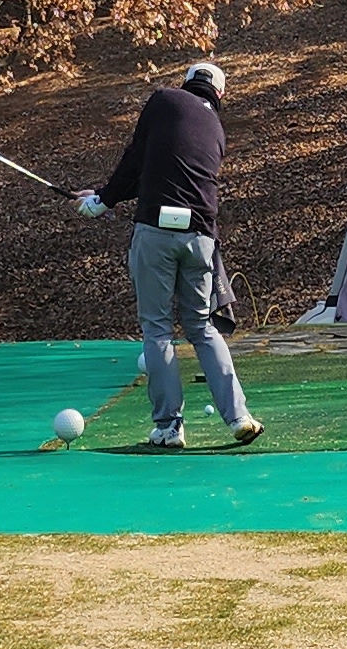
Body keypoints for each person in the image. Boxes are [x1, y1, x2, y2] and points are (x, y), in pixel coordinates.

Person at [78, 61, 261, 449]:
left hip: (156, 234)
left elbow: (137, 160)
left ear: (187, 82)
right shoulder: (216, 129)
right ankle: (239, 417)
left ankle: (169, 427)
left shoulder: (164, 101)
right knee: (202, 327)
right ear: (219, 94)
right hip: (201, 239)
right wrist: (104, 196)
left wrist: (103, 200)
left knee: (158, 330)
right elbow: (162, 171)